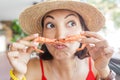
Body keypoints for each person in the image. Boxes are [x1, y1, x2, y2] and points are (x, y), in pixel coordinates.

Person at [7, 0, 116, 80]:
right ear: (42, 34)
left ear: (84, 31)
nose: (60, 36)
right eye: (50, 25)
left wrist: (104, 71)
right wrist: (17, 74)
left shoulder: (97, 67)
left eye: (71, 23)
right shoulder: (30, 68)